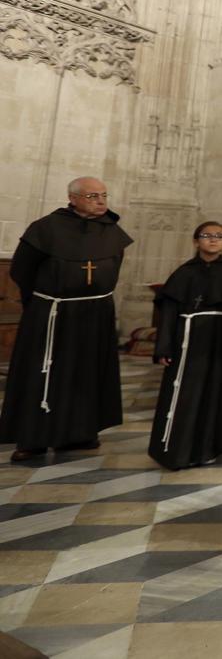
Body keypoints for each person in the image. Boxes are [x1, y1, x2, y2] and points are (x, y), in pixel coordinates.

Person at [1, 177, 132, 462]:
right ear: (72, 198)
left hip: (95, 314)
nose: (101, 201)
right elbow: (22, 270)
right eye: (92, 196)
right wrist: (41, 300)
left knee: (86, 374)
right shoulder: (46, 228)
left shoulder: (111, 231)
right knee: (41, 373)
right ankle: (33, 438)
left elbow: (113, 269)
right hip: (52, 313)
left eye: (104, 195)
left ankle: (80, 433)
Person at [147, 222, 222, 470]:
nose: (213, 240)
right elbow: (169, 312)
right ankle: (176, 450)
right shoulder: (183, 273)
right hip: (186, 340)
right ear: (196, 241)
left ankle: (207, 449)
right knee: (184, 394)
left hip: (218, 343)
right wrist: (163, 347)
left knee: (213, 394)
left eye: (219, 236)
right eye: (207, 236)